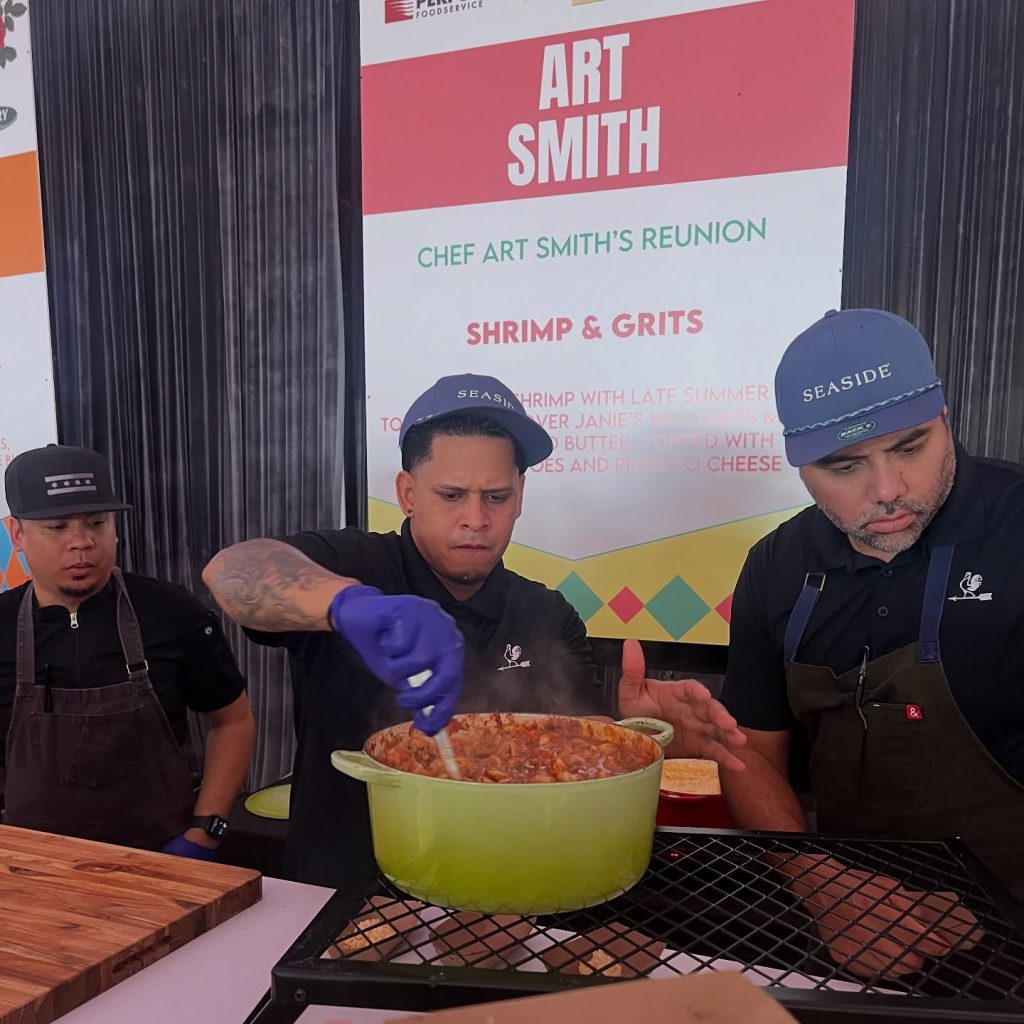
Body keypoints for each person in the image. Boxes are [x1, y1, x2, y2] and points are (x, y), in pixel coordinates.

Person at [203, 373, 744, 889]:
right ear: (408, 493)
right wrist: (346, 604)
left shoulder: (546, 613)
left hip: (504, 894)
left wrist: (641, 737)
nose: (475, 519)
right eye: (451, 495)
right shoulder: (356, 562)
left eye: (495, 497)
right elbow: (232, 571)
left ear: (520, 496)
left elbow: (574, 751)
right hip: (346, 889)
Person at [706, 309, 1022, 976]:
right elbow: (750, 757)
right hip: (852, 938)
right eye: (844, 465)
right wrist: (819, 882)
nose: (887, 490)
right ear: (798, 467)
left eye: (911, 447)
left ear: (946, 419)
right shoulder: (776, 567)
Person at [0, 444, 255, 859]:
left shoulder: (172, 612)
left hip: (164, 858)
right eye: (59, 526)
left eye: (97, 523)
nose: (81, 543)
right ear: (18, 535)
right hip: (36, 871)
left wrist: (206, 830)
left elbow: (234, 719)